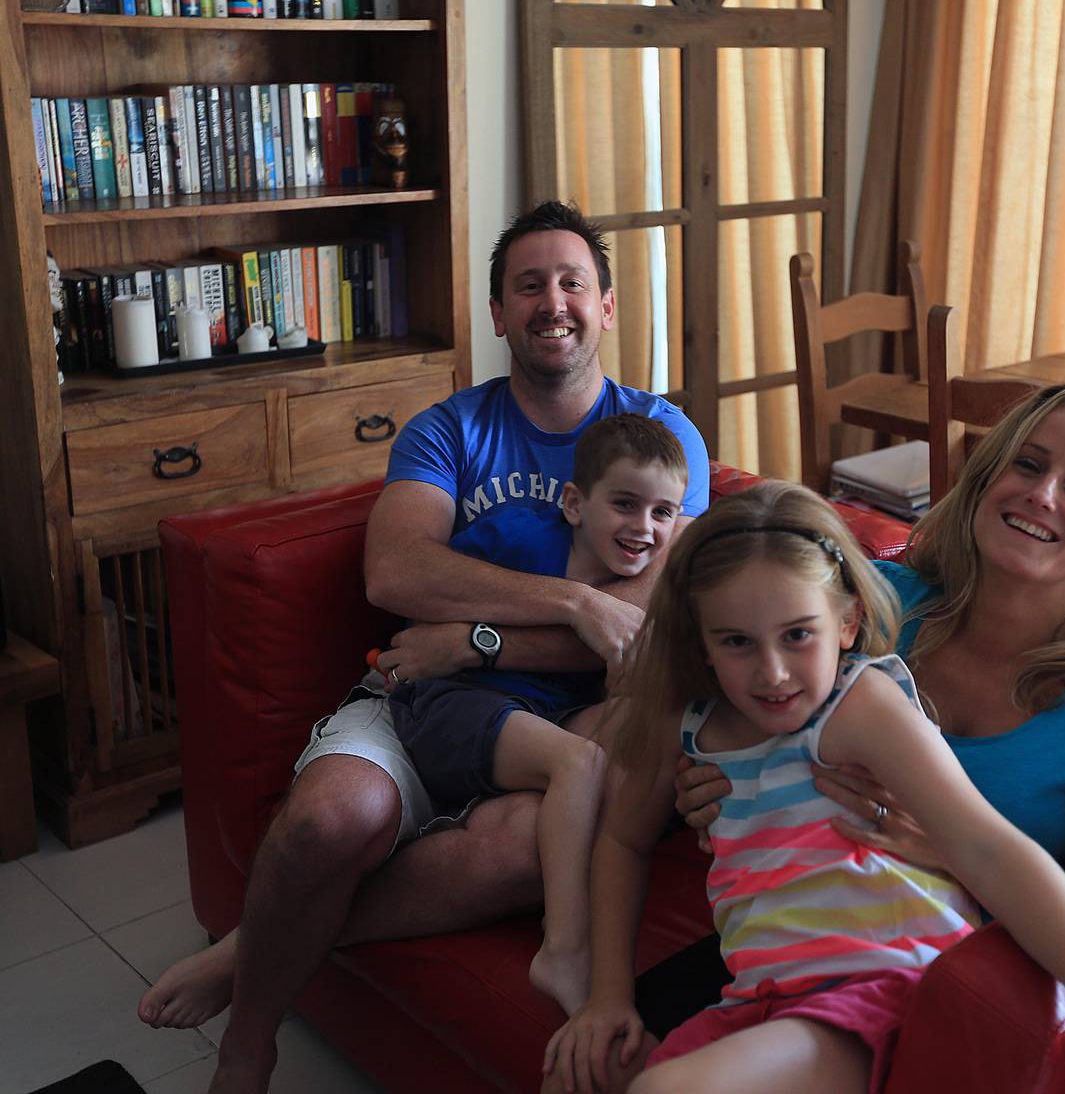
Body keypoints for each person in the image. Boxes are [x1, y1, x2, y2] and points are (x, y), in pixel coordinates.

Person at [136, 201, 710, 1094]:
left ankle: (251, 950)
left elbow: (640, 632)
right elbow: (395, 570)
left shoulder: (663, 440)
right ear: (498, 314)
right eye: (528, 285)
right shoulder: (448, 431)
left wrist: (473, 641)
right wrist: (568, 601)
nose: (551, 302)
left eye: (572, 283)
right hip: (422, 698)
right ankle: (250, 1043)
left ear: (606, 306)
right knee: (331, 821)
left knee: (542, 835)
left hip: (558, 712)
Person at [598, 382, 1065, 1086]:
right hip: (780, 955)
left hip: (940, 962)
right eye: (1028, 465)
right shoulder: (887, 599)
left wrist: (939, 852)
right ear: (983, 480)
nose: (1042, 495)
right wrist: (718, 784)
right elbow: (733, 679)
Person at [390, 413, 691, 1013]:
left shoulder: (641, 582)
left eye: (662, 513)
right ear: (575, 504)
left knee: (627, 740)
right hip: (454, 703)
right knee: (579, 764)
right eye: (626, 504)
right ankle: (564, 947)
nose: (644, 528)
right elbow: (431, 604)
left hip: (544, 711)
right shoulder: (518, 537)